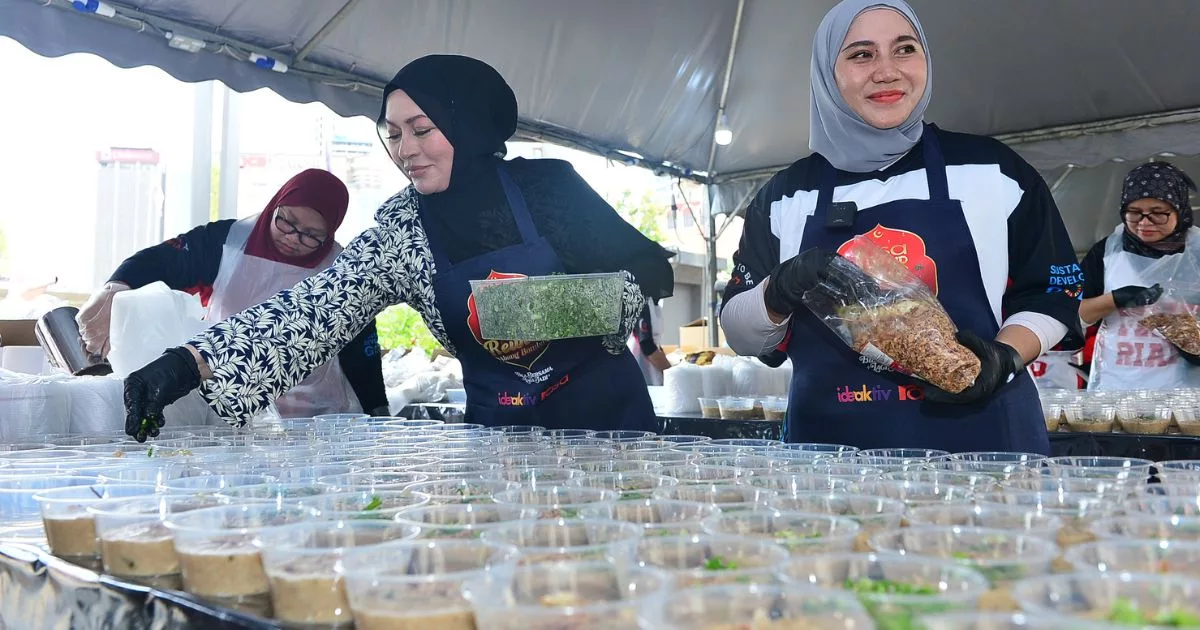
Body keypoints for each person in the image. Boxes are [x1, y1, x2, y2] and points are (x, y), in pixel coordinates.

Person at [120, 55, 674, 441]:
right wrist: (189, 363)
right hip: (504, 447)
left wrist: (514, 311)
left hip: (609, 432)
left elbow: (633, 290)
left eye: (422, 128)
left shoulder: (548, 189)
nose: (404, 149)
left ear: (469, 125)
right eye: (393, 133)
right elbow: (314, 311)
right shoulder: (404, 228)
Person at [719, 0, 1082, 454]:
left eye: (905, 49)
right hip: (832, 459)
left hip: (984, 450)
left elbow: (1053, 292)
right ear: (827, 73)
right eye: (861, 54)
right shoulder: (786, 196)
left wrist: (1005, 356)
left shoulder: (993, 171)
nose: (887, 71)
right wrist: (778, 291)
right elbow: (740, 333)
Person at [78, 169, 388, 420]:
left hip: (316, 415)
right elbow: (158, 261)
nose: (293, 239)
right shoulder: (227, 241)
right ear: (275, 204)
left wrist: (377, 408)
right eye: (286, 222)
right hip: (227, 406)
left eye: (311, 236)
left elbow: (362, 349)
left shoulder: (343, 268)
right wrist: (116, 287)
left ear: (330, 232)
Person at [1079, 161, 1200, 390]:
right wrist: (1114, 299)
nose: (1144, 223)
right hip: (1118, 389)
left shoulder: (1197, 254)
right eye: (1133, 213)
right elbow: (1073, 315)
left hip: (1187, 399)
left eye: (1158, 214)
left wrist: (1189, 339)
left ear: (1180, 209)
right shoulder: (1106, 252)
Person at [628, 300, 672, 386]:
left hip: (653, 361)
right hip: (642, 360)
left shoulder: (655, 304)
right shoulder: (641, 302)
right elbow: (646, 345)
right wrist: (671, 372)